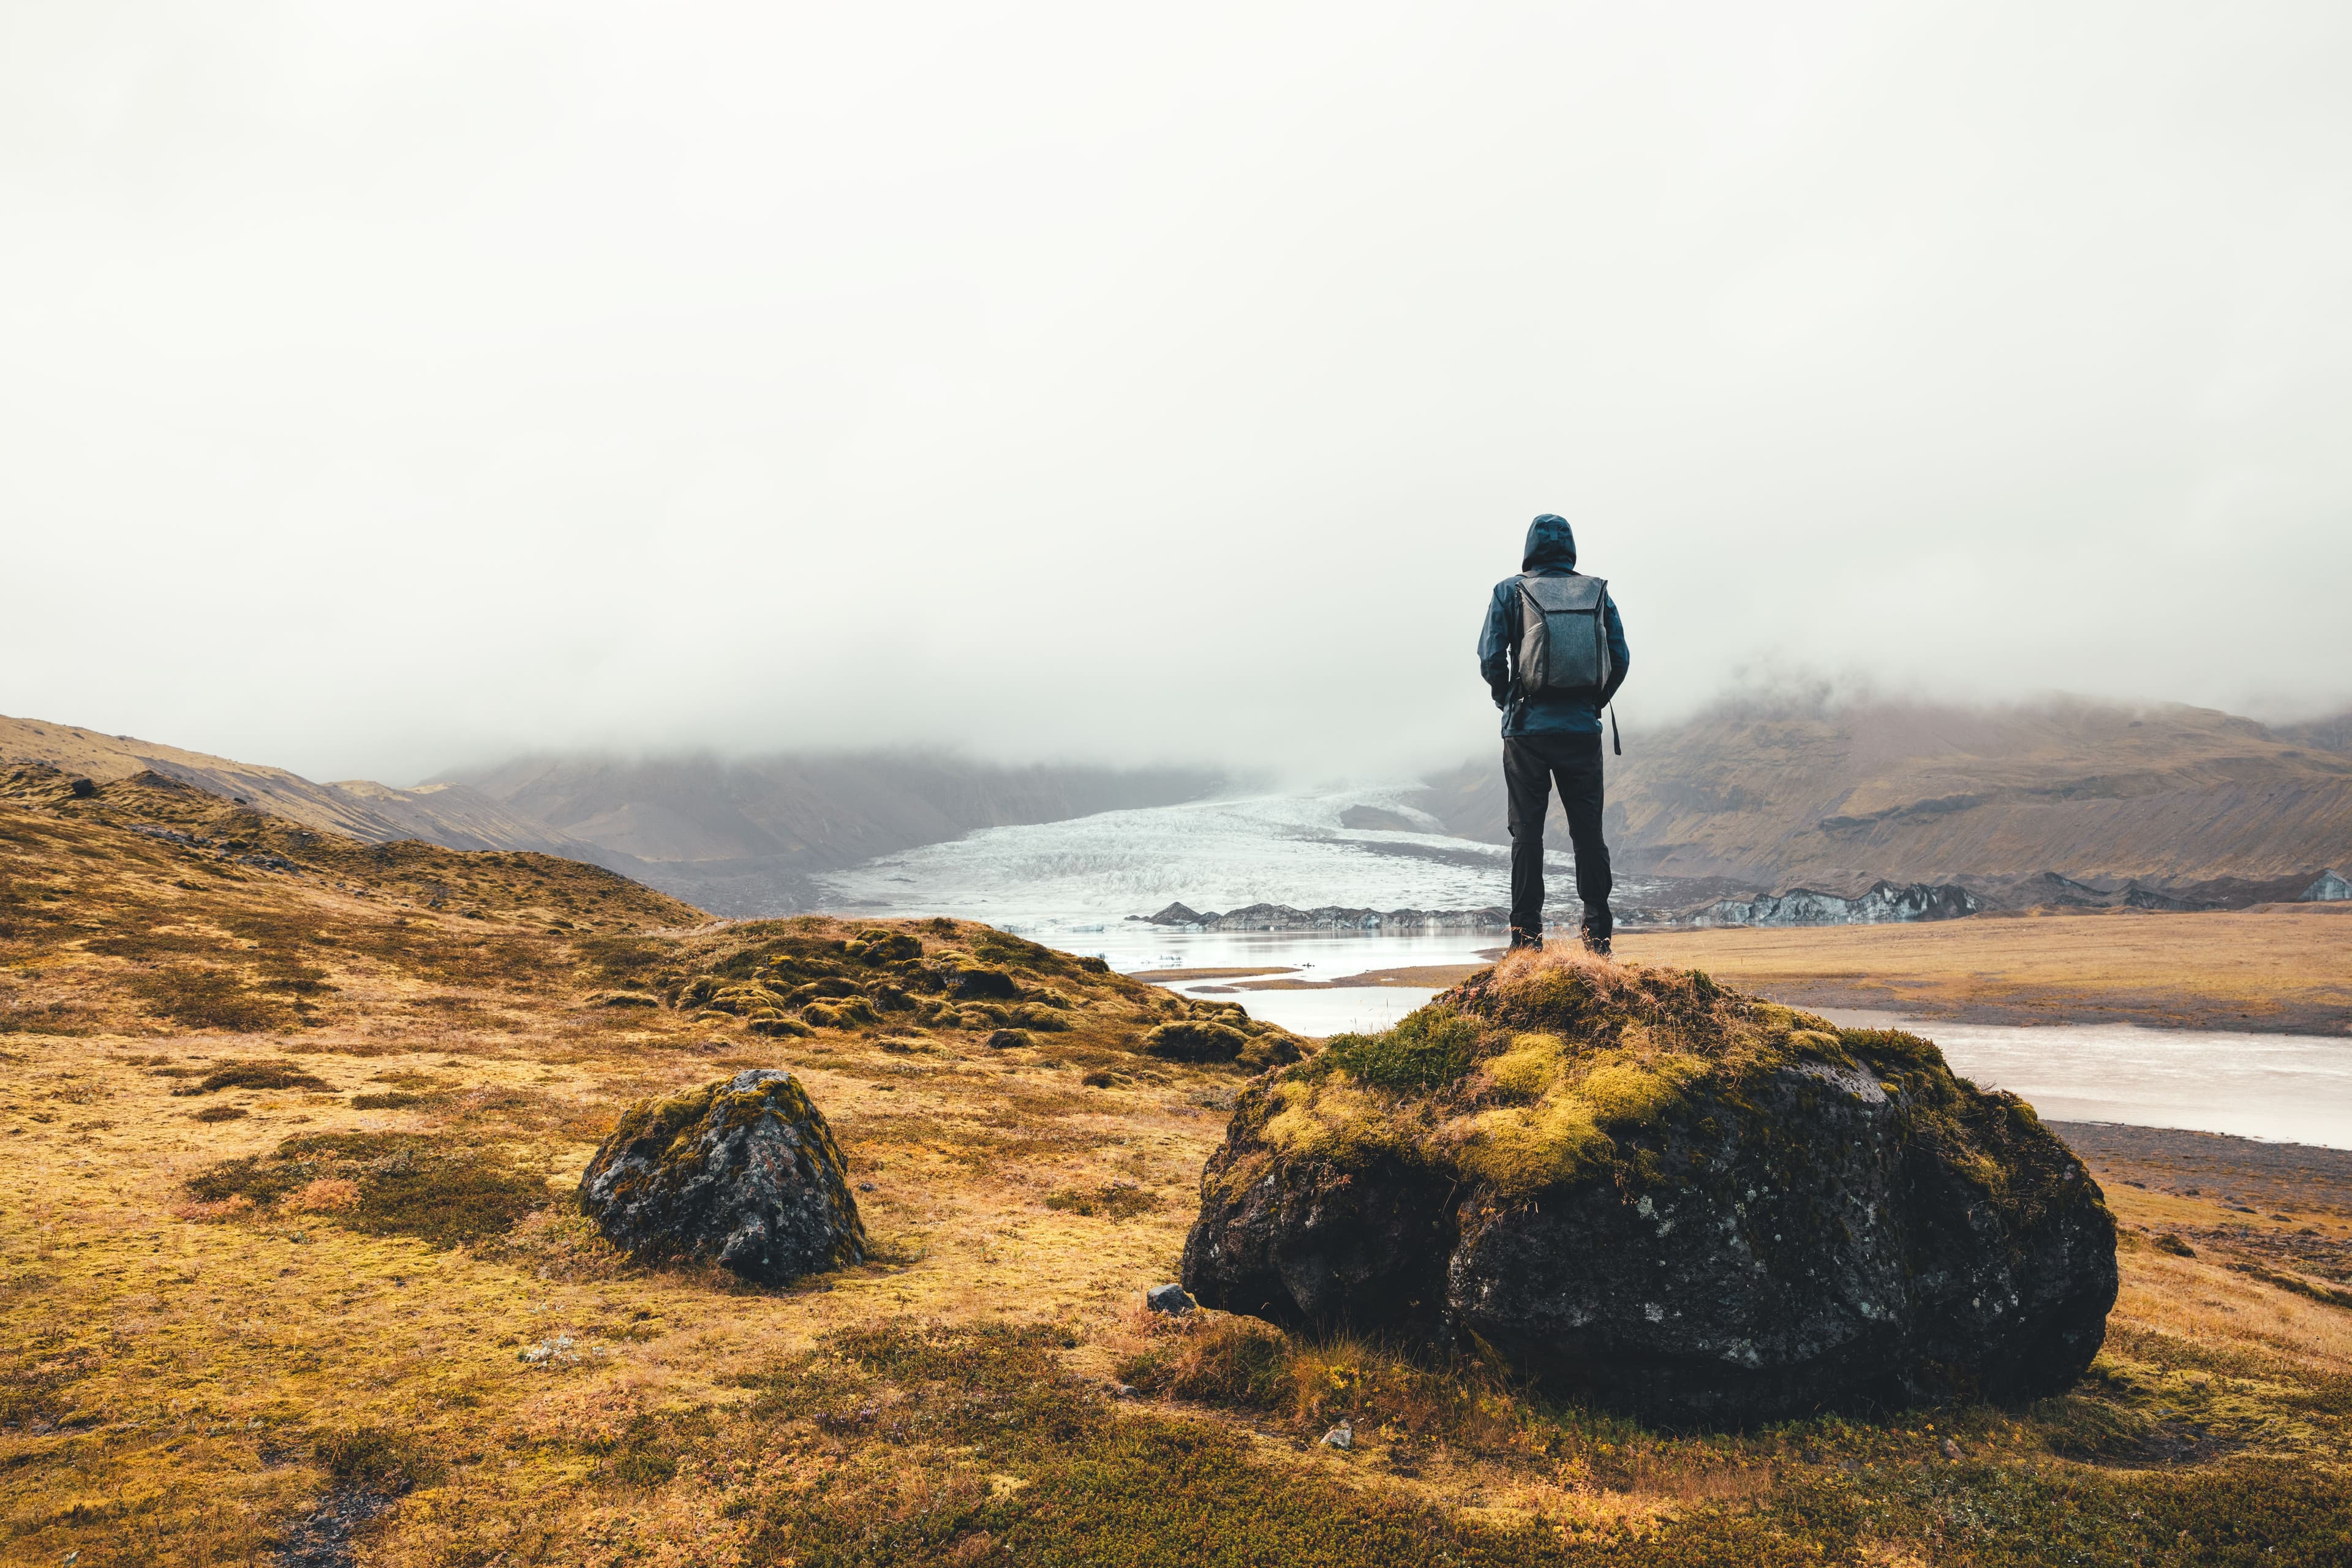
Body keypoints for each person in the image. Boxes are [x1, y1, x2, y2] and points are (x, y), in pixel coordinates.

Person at [1476, 513, 1629, 954]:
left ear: (1530, 547)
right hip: (1582, 731)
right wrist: (1591, 704)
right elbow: (1620, 658)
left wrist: (1509, 698)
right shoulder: (1597, 592)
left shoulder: (1510, 591)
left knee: (1527, 834)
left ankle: (1526, 941)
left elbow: (1490, 658)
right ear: (1570, 548)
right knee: (1588, 833)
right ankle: (1598, 938)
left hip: (1527, 732)